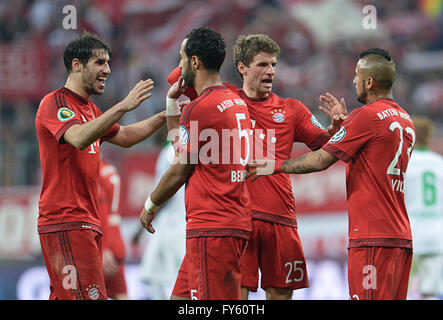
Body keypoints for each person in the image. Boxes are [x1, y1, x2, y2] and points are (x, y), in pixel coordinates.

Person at [167, 34, 346, 300]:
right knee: (235, 298)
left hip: (280, 217)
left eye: (273, 64)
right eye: (262, 64)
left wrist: (336, 129)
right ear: (242, 67)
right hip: (241, 218)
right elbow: (179, 76)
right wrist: (188, 46)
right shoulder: (223, 99)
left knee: (281, 295)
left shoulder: (291, 109)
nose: (270, 71)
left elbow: (327, 150)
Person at [248, 48, 415, 300]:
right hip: (401, 238)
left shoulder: (366, 116)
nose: (353, 81)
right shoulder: (405, 119)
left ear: (369, 82)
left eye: (357, 76)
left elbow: (320, 160)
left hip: (372, 238)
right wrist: (343, 129)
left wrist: (274, 165)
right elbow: (372, 149)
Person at [35, 32, 165, 300]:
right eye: (99, 62)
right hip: (66, 221)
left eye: (108, 63)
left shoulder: (91, 110)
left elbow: (126, 136)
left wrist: (164, 116)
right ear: (76, 65)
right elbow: (79, 138)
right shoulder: (55, 103)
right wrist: (124, 105)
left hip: (84, 222)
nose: (107, 69)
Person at [139, 26, 252, 300]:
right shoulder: (235, 101)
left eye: (181, 57)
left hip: (212, 227)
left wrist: (150, 205)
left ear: (194, 61)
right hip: (227, 220)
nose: (179, 64)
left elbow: (179, 169)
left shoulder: (200, 108)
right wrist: (171, 104)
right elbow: (181, 146)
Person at [136, 142, 186, 300]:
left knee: (152, 278)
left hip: (169, 228)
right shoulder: (194, 149)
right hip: (185, 225)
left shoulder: (171, 152)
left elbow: (167, 190)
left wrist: (150, 209)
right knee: (186, 283)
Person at [404, 115, 443, 300]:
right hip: (437, 236)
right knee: (430, 292)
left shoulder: (405, 163)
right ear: (429, 136)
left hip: (411, 234)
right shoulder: (440, 164)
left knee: (403, 288)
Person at [98, 159, 128, 300]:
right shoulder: (110, 169)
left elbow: (101, 207)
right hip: (116, 240)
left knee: (91, 293)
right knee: (120, 294)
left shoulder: (93, 171)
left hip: (104, 244)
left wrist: (103, 248)